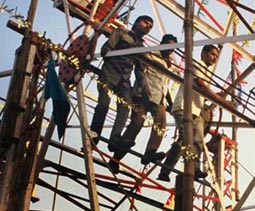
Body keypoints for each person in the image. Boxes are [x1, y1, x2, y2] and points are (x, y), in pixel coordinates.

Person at [107, 34, 178, 173]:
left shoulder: (171, 62)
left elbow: (165, 83)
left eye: (173, 48)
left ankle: (150, 152)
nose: (170, 50)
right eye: (168, 46)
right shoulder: (150, 53)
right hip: (142, 94)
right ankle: (115, 159)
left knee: (160, 123)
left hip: (159, 97)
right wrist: (142, 82)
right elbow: (139, 67)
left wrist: (171, 103)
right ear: (162, 43)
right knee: (136, 124)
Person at [157, 44, 228, 182]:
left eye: (216, 56)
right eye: (213, 54)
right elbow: (200, 84)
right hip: (184, 108)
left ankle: (168, 170)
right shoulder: (197, 65)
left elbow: (202, 92)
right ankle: (191, 169)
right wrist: (220, 100)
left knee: (192, 140)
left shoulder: (205, 72)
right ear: (203, 53)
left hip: (195, 110)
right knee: (190, 139)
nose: (214, 58)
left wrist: (218, 96)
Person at [89, 15, 154, 153]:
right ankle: (93, 136)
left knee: (125, 107)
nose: (147, 27)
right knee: (103, 104)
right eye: (145, 23)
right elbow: (106, 50)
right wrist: (119, 55)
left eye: (150, 26)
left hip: (124, 80)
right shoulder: (121, 33)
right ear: (136, 23)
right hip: (109, 73)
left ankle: (115, 139)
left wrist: (144, 86)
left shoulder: (141, 47)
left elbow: (140, 70)